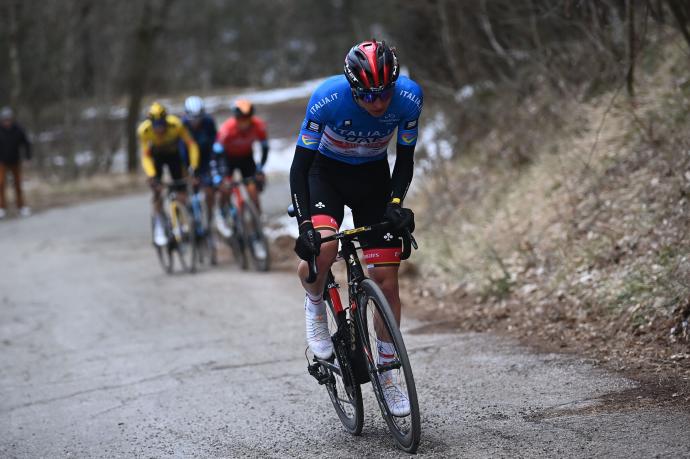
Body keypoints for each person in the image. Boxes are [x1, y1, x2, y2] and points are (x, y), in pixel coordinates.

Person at [289, 40, 422, 416]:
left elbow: (405, 159)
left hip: (372, 178)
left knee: (387, 278)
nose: (378, 103)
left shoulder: (410, 99)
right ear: (352, 88)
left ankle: (387, 369)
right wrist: (304, 226)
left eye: (385, 93)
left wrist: (395, 204)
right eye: (367, 95)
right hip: (324, 175)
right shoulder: (327, 99)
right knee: (325, 248)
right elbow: (299, 168)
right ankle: (315, 304)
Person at [137, 102, 199, 244]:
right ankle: (159, 224)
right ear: (151, 122)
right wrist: (151, 175)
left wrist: (193, 166)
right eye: (156, 124)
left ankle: (182, 220)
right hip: (156, 158)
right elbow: (145, 156)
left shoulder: (176, 125)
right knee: (157, 192)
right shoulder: (145, 131)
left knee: (181, 190)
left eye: (161, 124)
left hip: (173, 156)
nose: (159, 128)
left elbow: (191, 145)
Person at [213, 99, 269, 213]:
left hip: (246, 158)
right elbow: (217, 153)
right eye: (241, 119)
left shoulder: (258, 125)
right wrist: (219, 175)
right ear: (236, 118)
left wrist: (260, 167)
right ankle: (223, 210)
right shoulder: (227, 128)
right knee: (226, 188)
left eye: (247, 118)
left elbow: (265, 148)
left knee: (253, 190)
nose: (244, 122)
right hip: (228, 159)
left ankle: (258, 220)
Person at [182, 96, 217, 225]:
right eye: (193, 118)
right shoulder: (182, 125)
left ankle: (209, 217)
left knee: (209, 189)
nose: (196, 121)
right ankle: (189, 220)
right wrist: (190, 171)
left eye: (199, 118)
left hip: (206, 159)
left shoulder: (208, 122)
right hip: (187, 161)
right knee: (186, 190)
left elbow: (215, 142)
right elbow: (182, 150)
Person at [0, 107, 32, 219]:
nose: (7, 122)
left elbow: (27, 143)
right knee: (1, 184)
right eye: (5, 120)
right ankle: (2, 208)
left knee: (18, 184)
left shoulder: (18, 129)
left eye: (8, 119)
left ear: (11, 119)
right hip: (2, 161)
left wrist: (28, 158)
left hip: (15, 161)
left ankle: (21, 207)